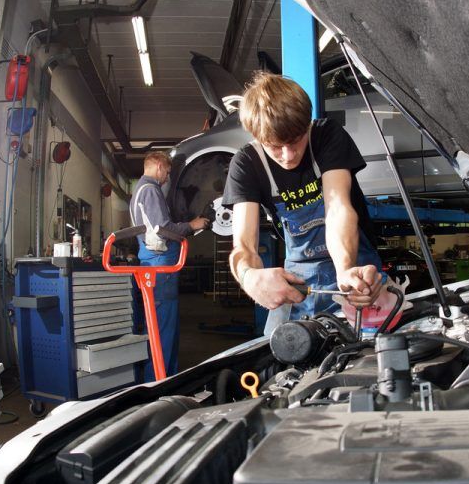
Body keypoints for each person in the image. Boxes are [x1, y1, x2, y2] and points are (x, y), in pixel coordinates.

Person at [222, 72, 383, 334]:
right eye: (275, 146)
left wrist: (345, 271)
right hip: (299, 281)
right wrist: (248, 277)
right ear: (257, 137)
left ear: (306, 124)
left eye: (295, 141)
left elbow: (338, 209)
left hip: (356, 268)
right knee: (281, 349)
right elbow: (244, 244)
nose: (287, 155)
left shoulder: (327, 135)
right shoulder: (246, 164)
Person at [130, 152, 209, 378]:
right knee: (163, 326)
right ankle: (161, 381)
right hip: (160, 264)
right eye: (167, 171)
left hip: (152, 261)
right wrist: (192, 225)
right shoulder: (151, 190)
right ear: (157, 166)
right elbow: (162, 229)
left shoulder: (140, 190)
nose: (167, 177)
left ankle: (155, 377)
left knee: (156, 324)